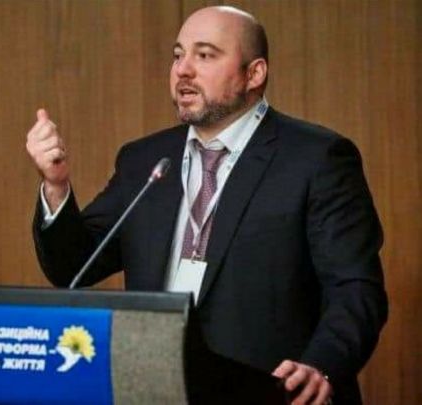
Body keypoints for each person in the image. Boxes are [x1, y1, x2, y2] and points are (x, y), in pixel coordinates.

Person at [26, 6, 387, 404]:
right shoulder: (145, 160)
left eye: (205, 55)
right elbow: (74, 265)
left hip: (272, 393)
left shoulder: (317, 158)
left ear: (254, 74)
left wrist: (321, 366)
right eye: (178, 55)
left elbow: (355, 290)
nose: (182, 70)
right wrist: (56, 186)